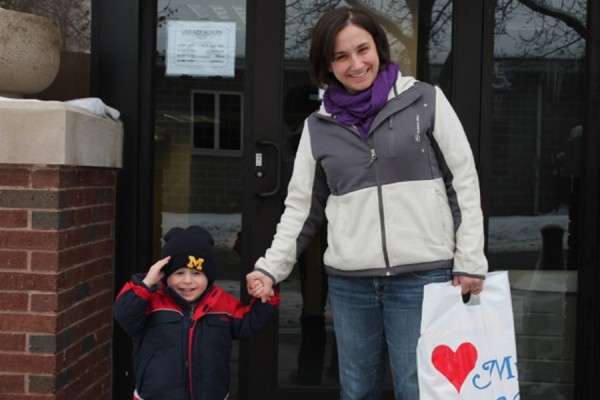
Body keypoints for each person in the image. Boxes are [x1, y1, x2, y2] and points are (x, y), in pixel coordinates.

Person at [246, 6, 488, 400]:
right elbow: (301, 209)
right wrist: (270, 268)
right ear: (327, 65)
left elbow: (464, 182)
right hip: (350, 283)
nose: (356, 64)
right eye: (341, 56)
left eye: (363, 49)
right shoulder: (317, 127)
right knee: (357, 390)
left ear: (379, 46)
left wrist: (470, 259)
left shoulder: (426, 100)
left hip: (422, 277)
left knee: (419, 389)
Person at [114, 225, 279, 400]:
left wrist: (265, 298)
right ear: (164, 275)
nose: (187, 281)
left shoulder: (222, 303)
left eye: (196, 273)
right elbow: (124, 314)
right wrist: (146, 283)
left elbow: (248, 323)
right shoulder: (152, 302)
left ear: (208, 276)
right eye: (179, 273)